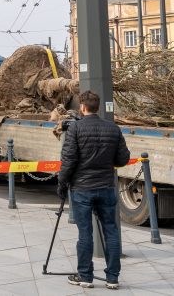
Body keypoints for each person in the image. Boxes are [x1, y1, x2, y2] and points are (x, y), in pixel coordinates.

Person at [58, 90, 130, 290]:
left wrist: (62, 184)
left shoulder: (76, 129)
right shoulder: (113, 128)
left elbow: (69, 160)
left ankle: (85, 276)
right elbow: (123, 159)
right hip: (106, 186)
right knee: (111, 232)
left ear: (82, 107)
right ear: (97, 106)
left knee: (85, 233)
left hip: (82, 188)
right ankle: (113, 277)